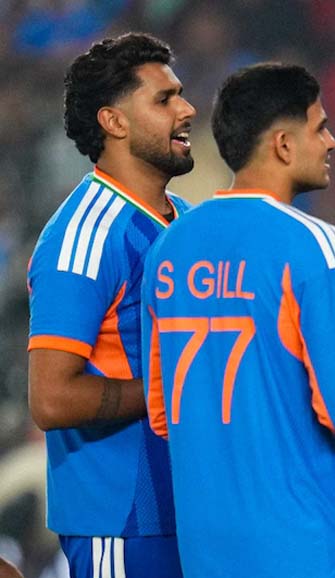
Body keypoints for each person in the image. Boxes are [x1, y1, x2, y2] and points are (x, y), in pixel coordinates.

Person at [141, 62, 335, 578]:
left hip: (208, 553)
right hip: (307, 546)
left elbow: (164, 414)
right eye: (320, 128)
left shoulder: (168, 248)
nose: (332, 142)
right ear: (283, 144)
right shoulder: (309, 241)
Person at [27, 32, 195, 578]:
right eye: (164, 99)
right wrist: (175, 388)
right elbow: (51, 399)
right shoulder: (83, 237)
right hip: (122, 526)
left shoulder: (187, 220)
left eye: (180, 95)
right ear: (114, 121)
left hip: (196, 514)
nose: (187, 110)